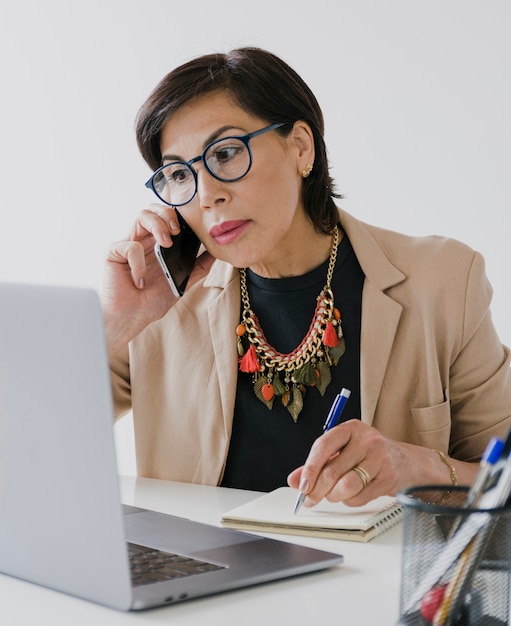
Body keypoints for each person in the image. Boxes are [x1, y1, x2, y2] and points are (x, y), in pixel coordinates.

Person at [103, 46, 511, 509]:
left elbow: (504, 477)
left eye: (227, 153)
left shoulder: (444, 281)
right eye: (179, 174)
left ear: (301, 147)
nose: (208, 196)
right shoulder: (161, 305)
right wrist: (116, 322)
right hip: (198, 575)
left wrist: (418, 467)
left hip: (370, 578)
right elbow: (25, 438)